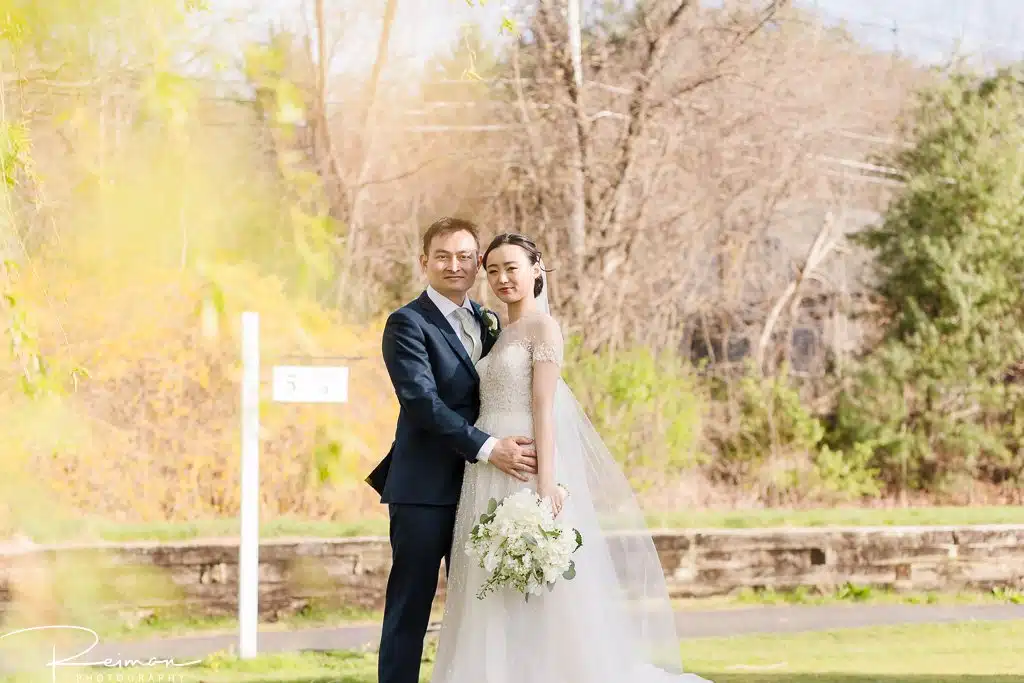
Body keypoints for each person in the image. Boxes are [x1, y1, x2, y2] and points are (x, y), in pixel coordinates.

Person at [430, 232, 713, 683]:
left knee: (542, 584)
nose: (502, 278)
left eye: (512, 268)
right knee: (491, 582)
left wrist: (546, 483)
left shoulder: (544, 327)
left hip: (525, 463)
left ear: (536, 270)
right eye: (494, 271)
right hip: (486, 465)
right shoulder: (499, 333)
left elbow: (543, 406)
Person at [366, 217, 539, 683]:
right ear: (425, 262)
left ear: (477, 263)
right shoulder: (407, 323)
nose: (455, 265)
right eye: (443, 256)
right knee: (410, 609)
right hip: (424, 490)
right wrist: (488, 448)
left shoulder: (489, 319)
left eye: (466, 256)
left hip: (481, 490)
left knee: (483, 604)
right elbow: (422, 403)